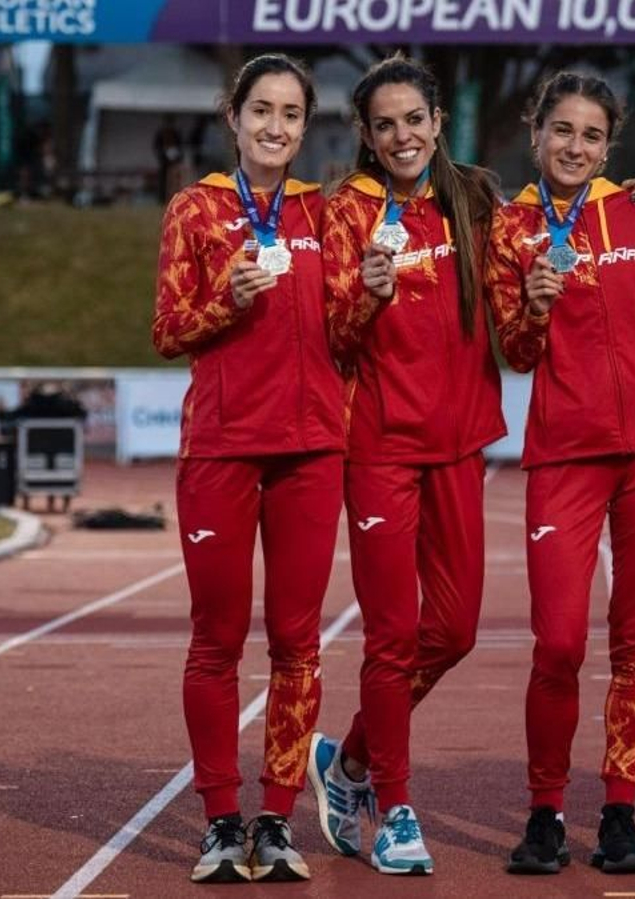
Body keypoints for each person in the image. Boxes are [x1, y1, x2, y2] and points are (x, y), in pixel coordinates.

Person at [306, 56, 505, 877]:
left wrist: (633, 197)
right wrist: (367, 295)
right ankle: (393, 806)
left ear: (437, 120)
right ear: (365, 133)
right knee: (390, 637)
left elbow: (553, 220)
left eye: (413, 120)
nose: (402, 137)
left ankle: (348, 759)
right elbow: (331, 334)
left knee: (453, 630)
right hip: (380, 447)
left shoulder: (474, 197)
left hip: (458, 443)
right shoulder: (343, 211)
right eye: (384, 124)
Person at [486, 71, 635, 876]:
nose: (576, 146)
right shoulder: (511, 228)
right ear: (537, 133)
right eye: (562, 130)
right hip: (565, 453)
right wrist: (533, 305)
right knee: (560, 642)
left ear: (610, 145)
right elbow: (515, 350)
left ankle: (619, 807)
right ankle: (544, 812)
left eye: (592, 135)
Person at [151, 53, 345, 885]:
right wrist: (224, 297)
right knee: (216, 640)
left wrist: (369, 291)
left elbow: (350, 323)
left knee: (298, 643)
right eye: (261, 110)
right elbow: (167, 329)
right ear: (233, 117)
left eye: (291, 114)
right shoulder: (194, 208)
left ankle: (277, 818)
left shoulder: (324, 211)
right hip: (222, 450)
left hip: (309, 450)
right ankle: (220, 821)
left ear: (306, 126)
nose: (275, 126)